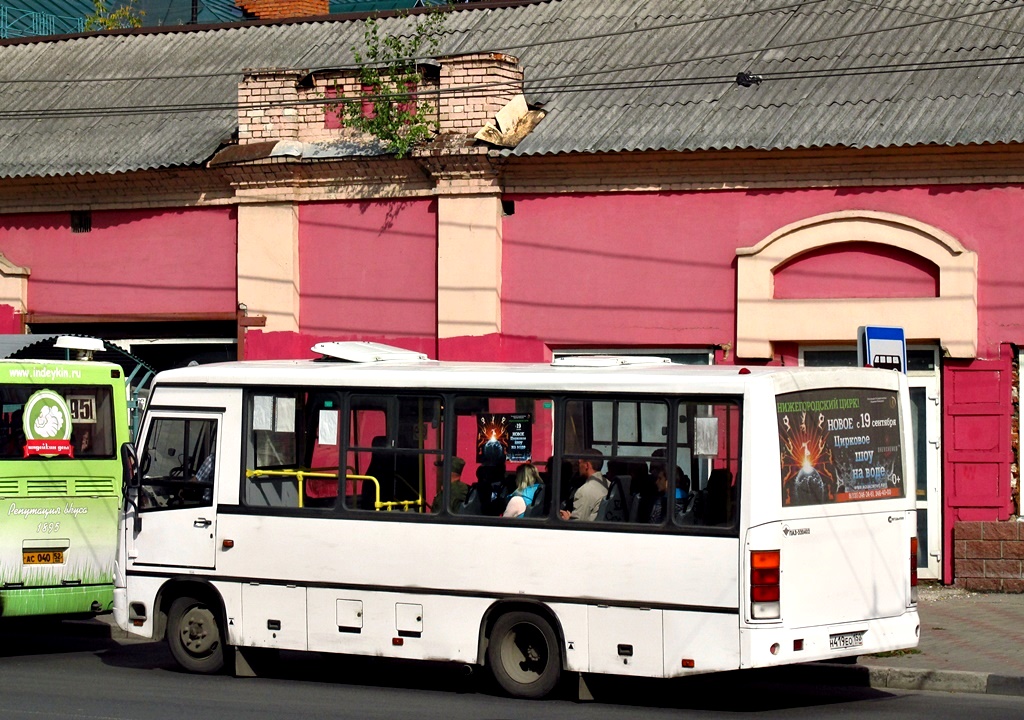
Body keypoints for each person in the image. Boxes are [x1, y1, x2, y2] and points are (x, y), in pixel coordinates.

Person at [559, 449, 608, 522]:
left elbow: (578, 525)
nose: (578, 467)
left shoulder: (585, 491)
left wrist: (567, 519)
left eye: (579, 463)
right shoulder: (608, 484)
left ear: (587, 465)